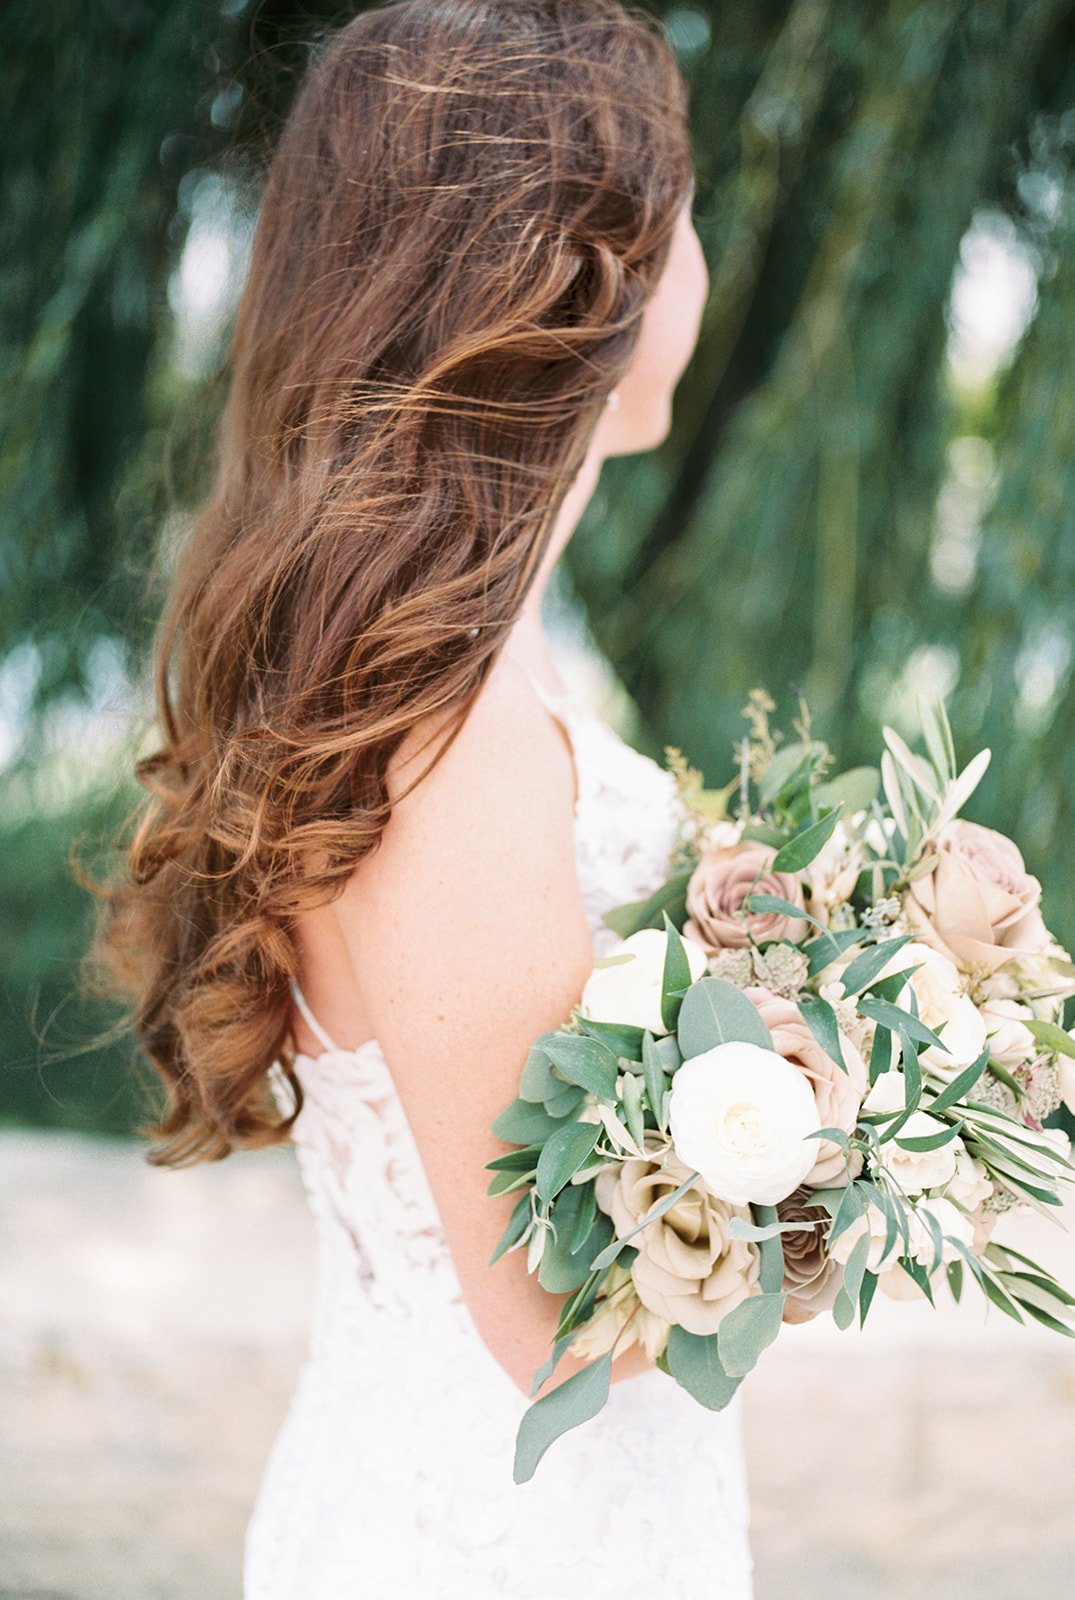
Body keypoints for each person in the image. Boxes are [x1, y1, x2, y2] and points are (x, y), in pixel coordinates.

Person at [91, 1, 754, 1594]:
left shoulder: (442, 678)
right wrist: (858, 1097)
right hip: (508, 1546)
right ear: (584, 270)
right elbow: (556, 1312)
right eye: (685, 204)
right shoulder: (446, 737)